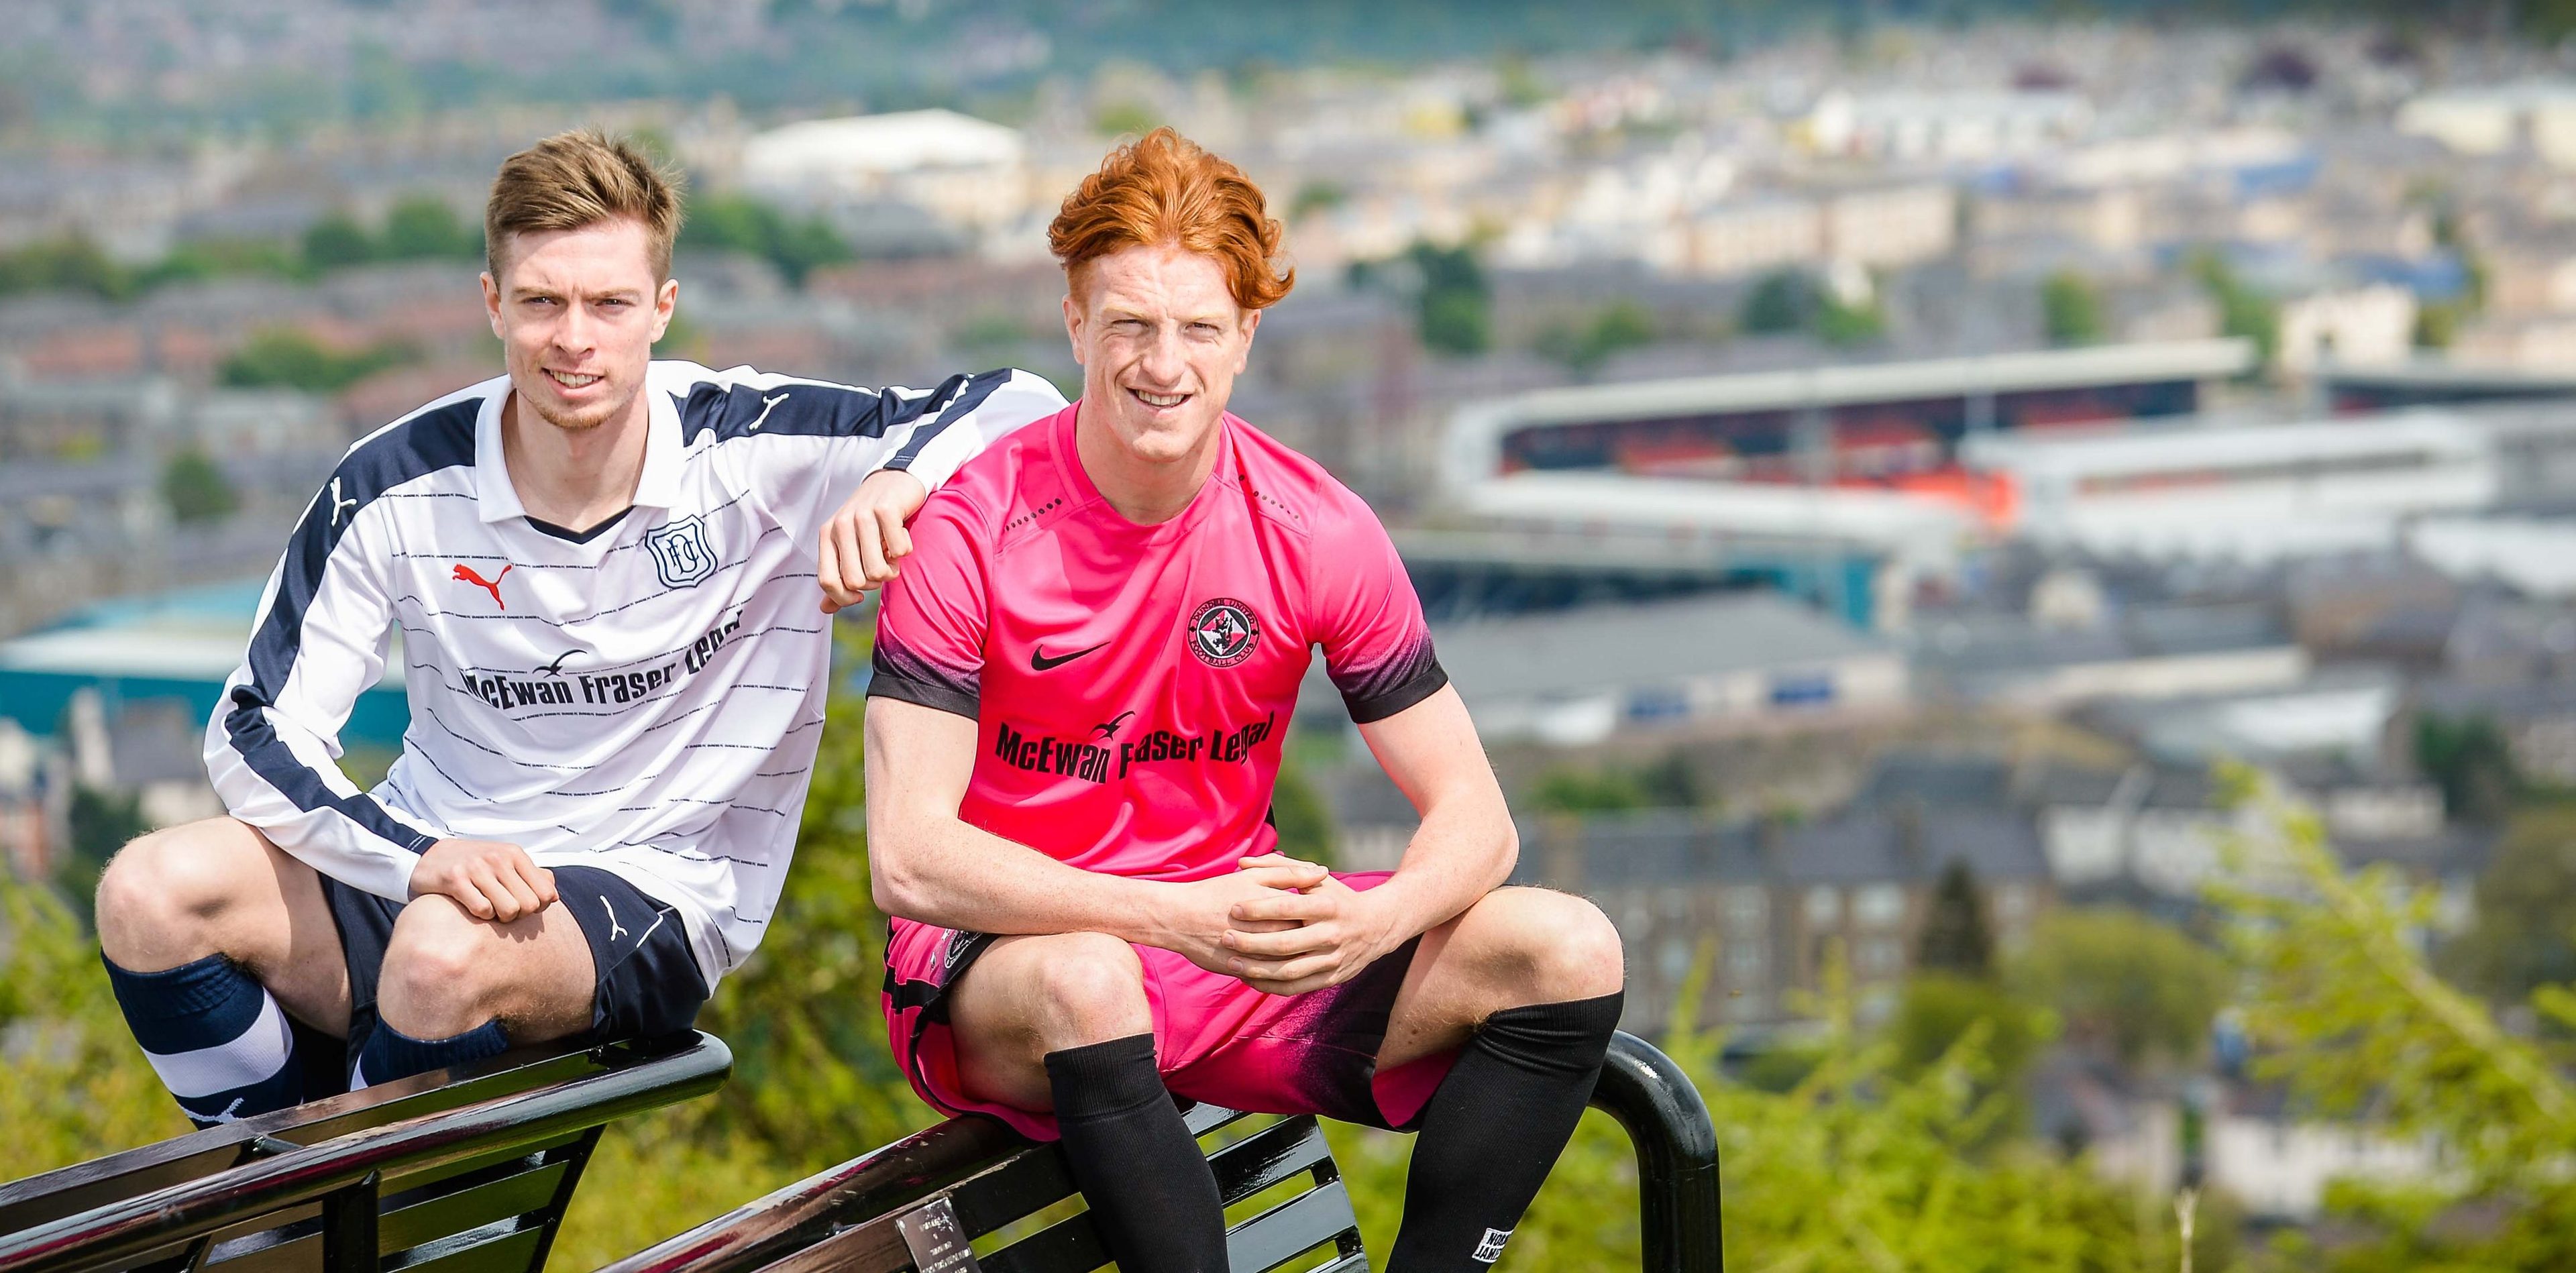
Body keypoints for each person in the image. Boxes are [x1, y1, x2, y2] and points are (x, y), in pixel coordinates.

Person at [91, 129, 1065, 1127]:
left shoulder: (751, 444)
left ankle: (334, 1215)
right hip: (438, 858)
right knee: (149, 890)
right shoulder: (395, 482)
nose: (575, 337)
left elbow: (1022, 403)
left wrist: (896, 479)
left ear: (662, 310)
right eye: (542, 302)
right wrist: (420, 853)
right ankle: (275, 1191)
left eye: (609, 303)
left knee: (439, 953)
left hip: (651, 884)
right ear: (492, 305)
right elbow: (253, 731)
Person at [865, 127, 1625, 1273]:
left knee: (1567, 945)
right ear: (1075, 322)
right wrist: (1171, 915)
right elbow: (910, 859)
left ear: (1245, 340)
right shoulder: (972, 526)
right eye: (1128, 323)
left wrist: (1376, 921)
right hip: (1012, 966)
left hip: (1223, 960)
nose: (1160, 363)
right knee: (1089, 975)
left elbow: (1481, 817)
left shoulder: (1317, 527)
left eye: (1197, 329)